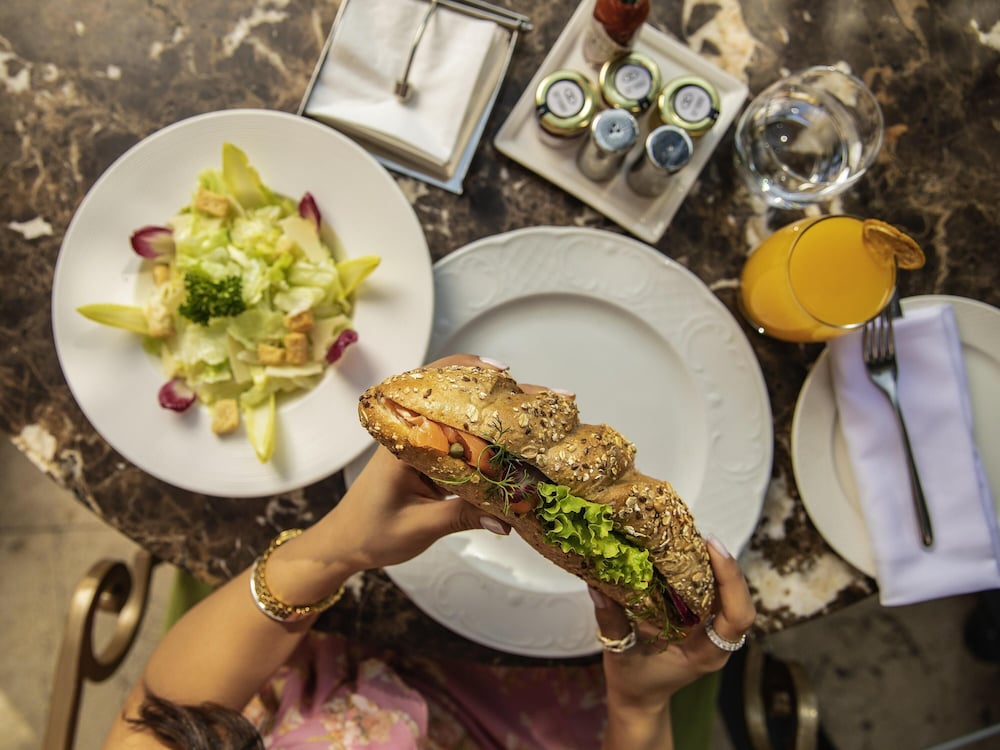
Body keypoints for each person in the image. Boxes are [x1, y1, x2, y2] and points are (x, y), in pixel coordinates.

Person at [103, 354, 756, 750]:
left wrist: (331, 551)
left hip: (288, 654)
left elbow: (157, 721)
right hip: (540, 714)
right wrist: (637, 708)